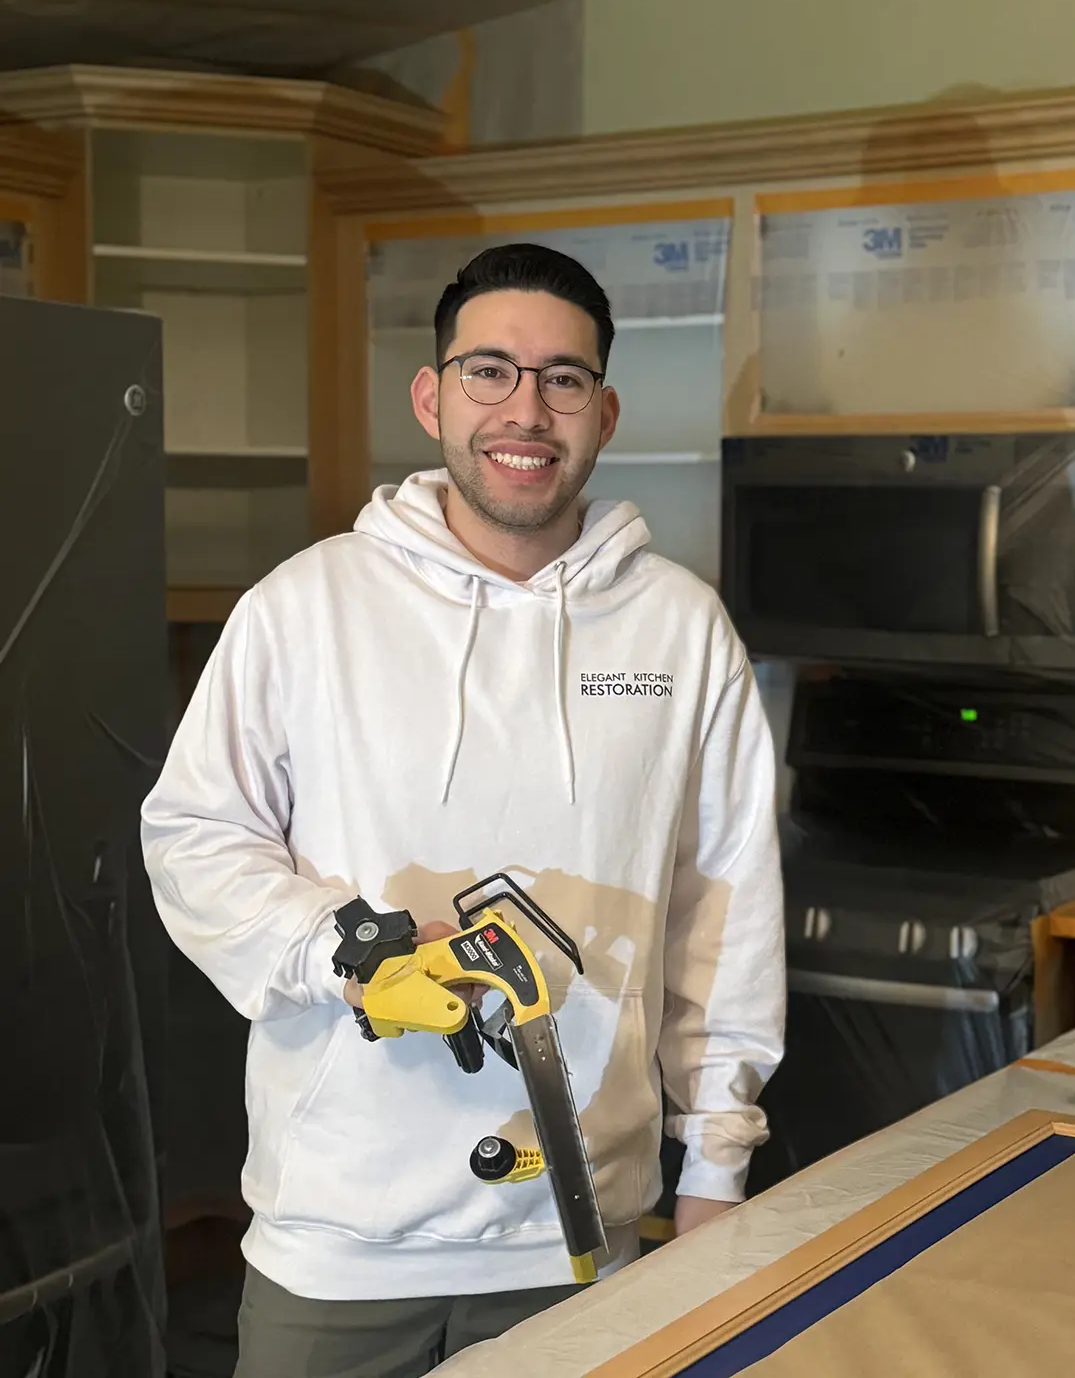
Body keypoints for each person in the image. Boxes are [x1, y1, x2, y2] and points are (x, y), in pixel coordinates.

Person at [140, 243, 787, 1378]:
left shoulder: (681, 631)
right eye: (490, 371)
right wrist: (337, 945)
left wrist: (717, 1173)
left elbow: (722, 913)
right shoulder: (306, 608)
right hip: (338, 1236)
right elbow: (195, 835)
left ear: (604, 409)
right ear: (433, 396)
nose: (525, 409)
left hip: (581, 1233)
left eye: (563, 378)